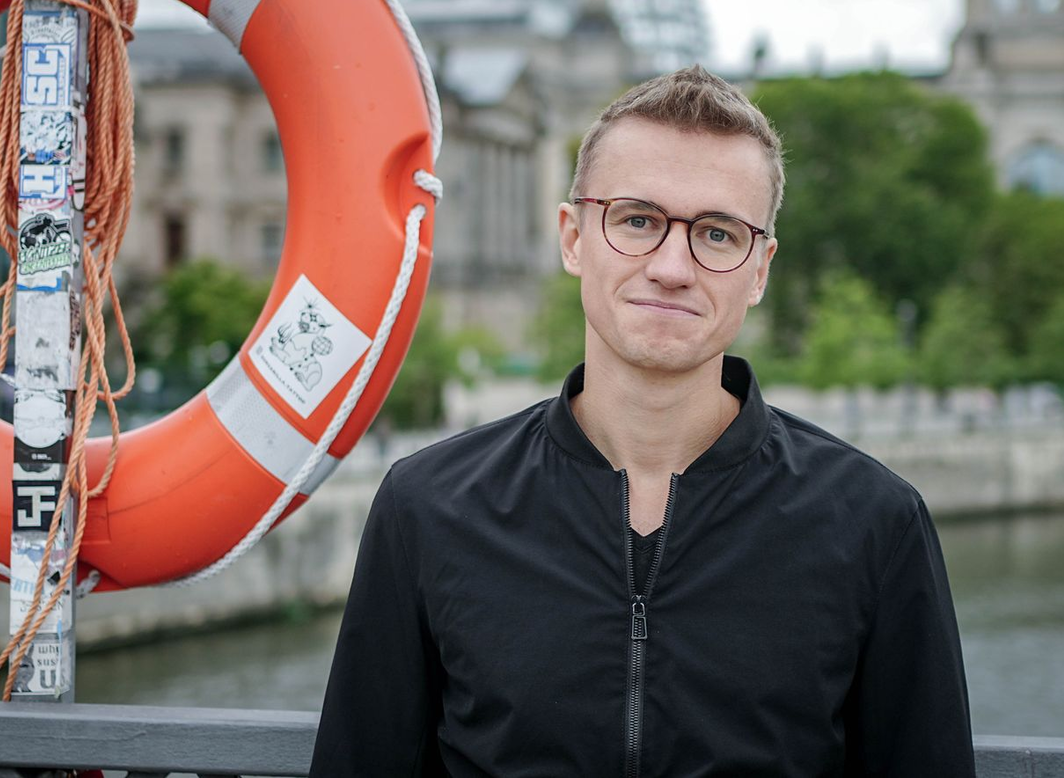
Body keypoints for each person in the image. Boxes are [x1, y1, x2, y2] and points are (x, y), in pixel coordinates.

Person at [310, 65, 975, 777]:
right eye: (637, 220)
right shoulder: (427, 508)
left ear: (760, 269)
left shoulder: (876, 522)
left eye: (717, 234)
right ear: (573, 237)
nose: (671, 265)